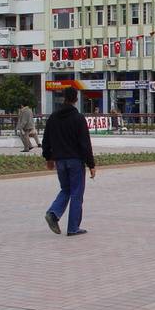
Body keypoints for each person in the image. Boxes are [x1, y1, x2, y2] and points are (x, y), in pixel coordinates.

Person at [42, 87, 96, 237]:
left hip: (60, 161)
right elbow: (85, 144)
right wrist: (91, 164)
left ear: (63, 97)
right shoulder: (78, 118)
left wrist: (48, 158)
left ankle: (53, 213)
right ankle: (73, 228)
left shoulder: (53, 117)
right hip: (75, 161)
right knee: (76, 193)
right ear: (76, 99)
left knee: (66, 189)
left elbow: (46, 140)